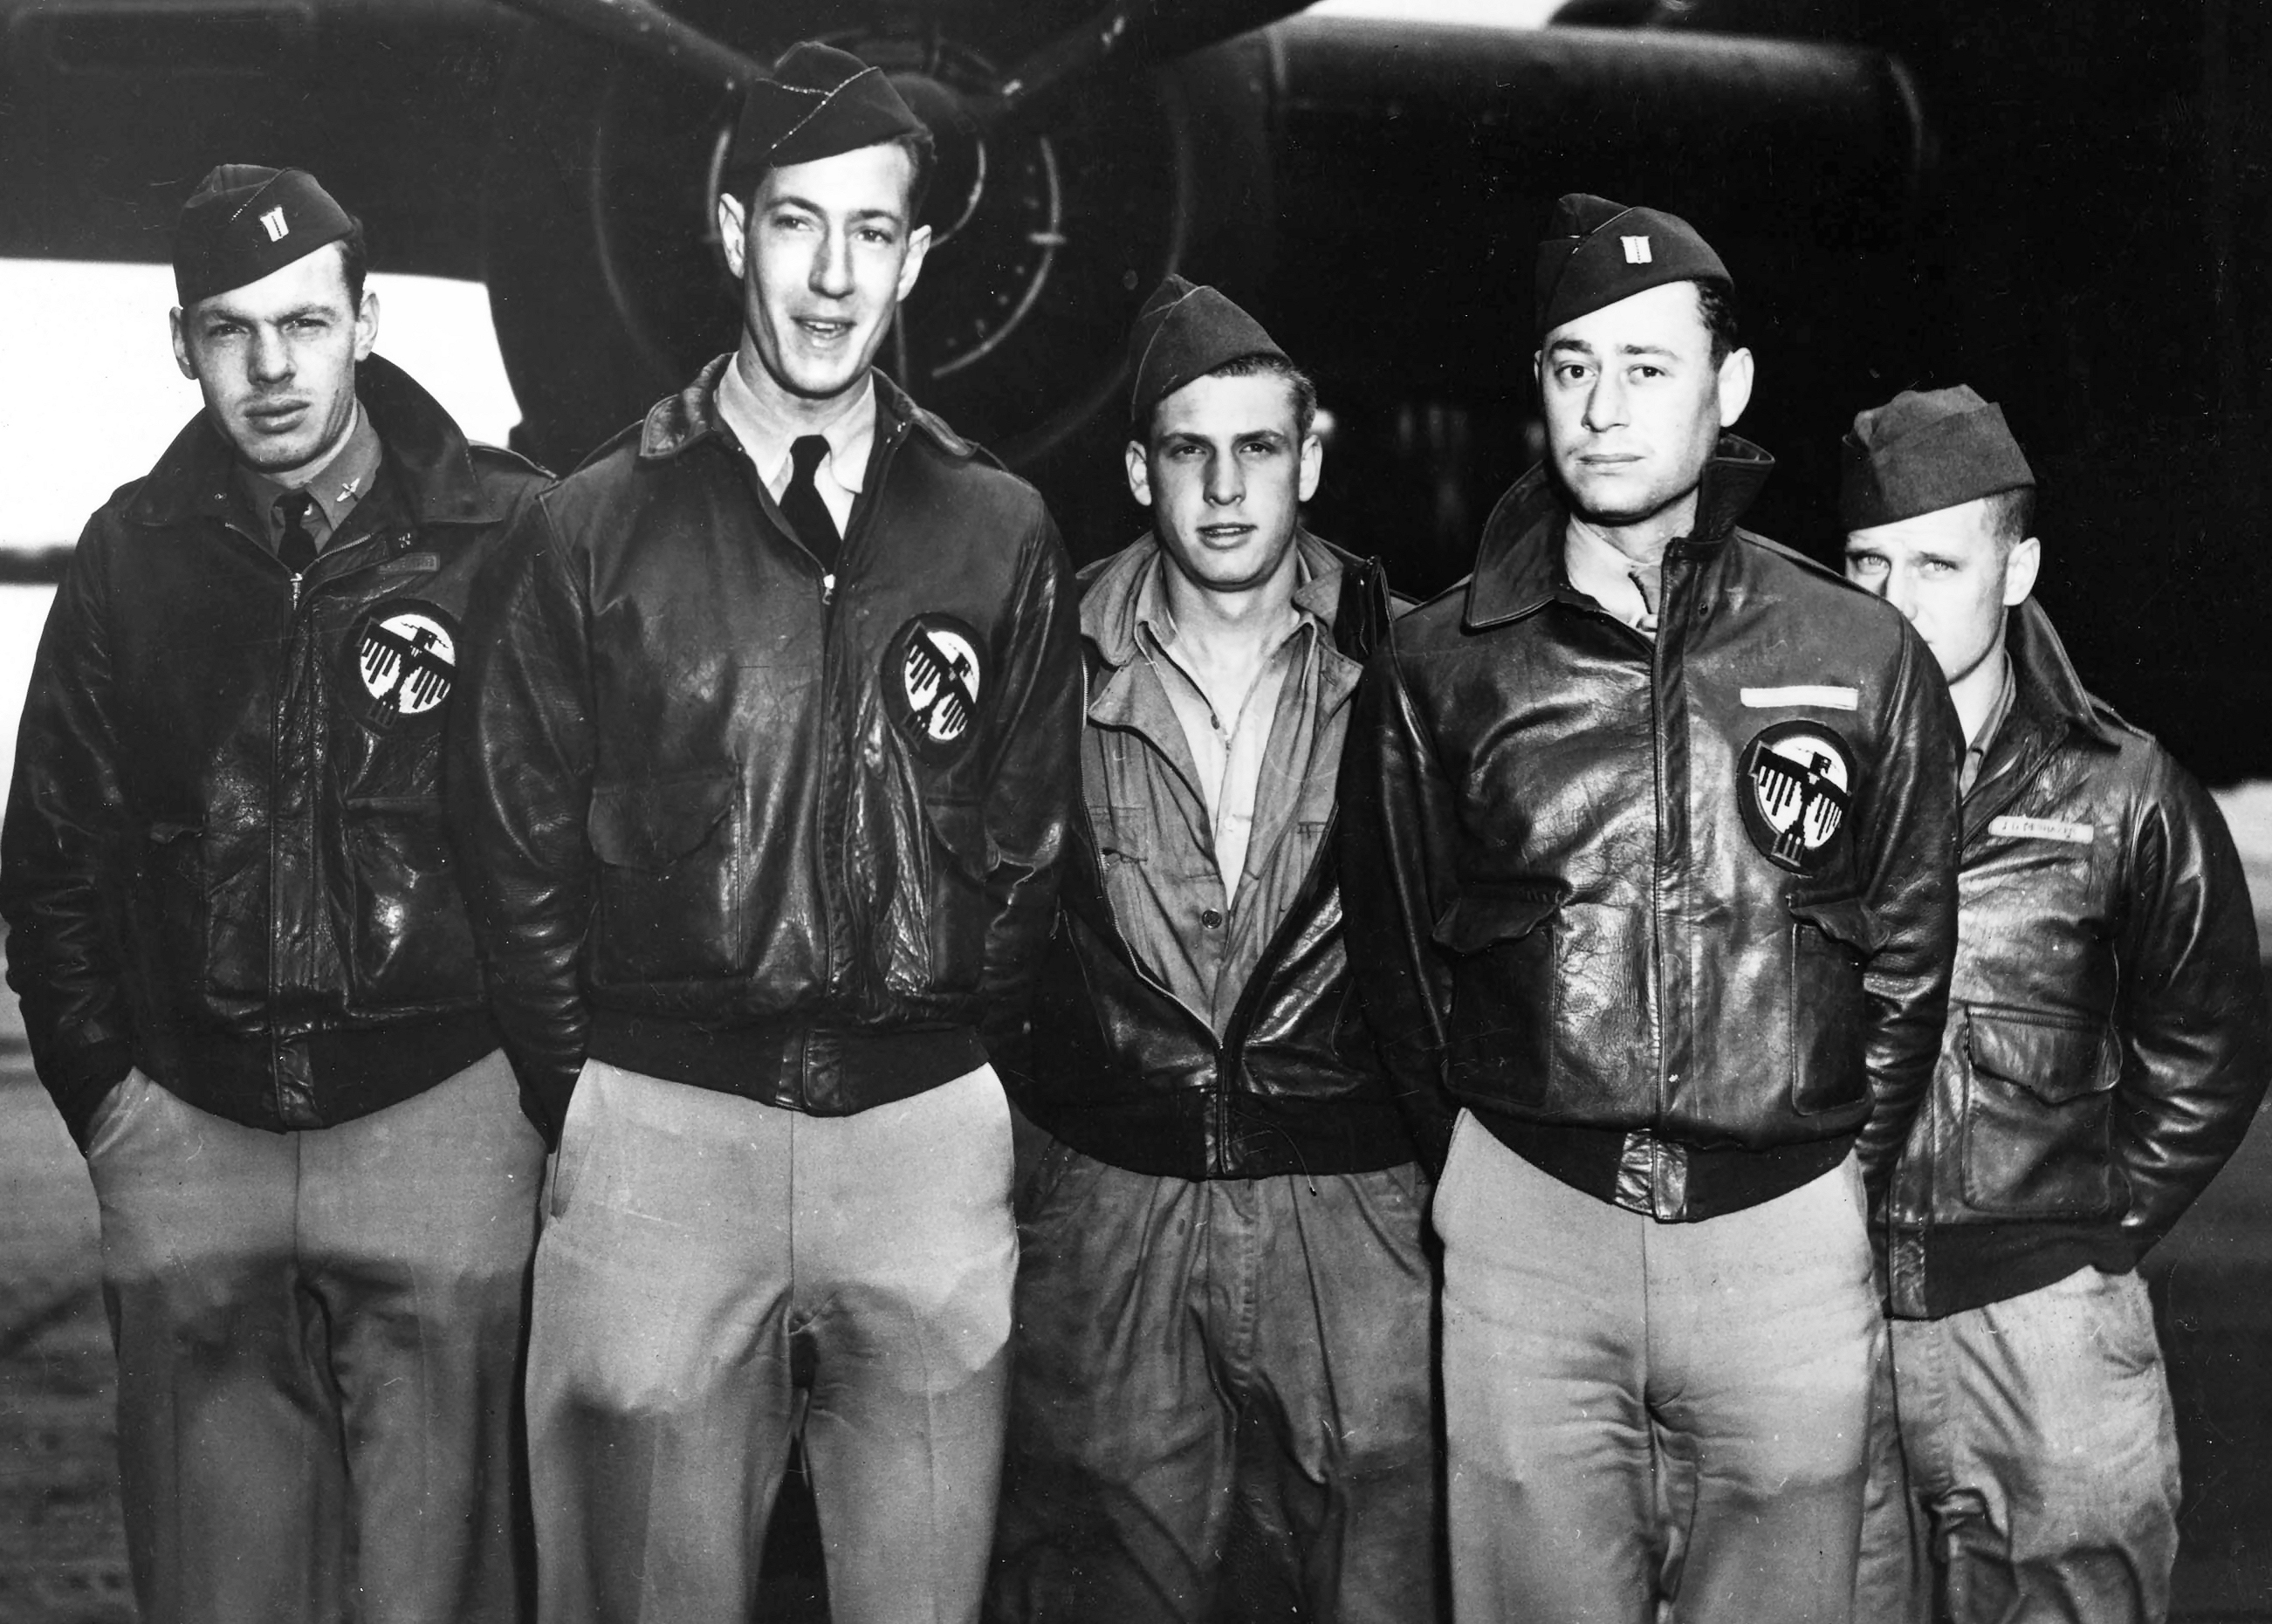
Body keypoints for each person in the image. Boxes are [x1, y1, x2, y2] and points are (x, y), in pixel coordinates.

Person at [450, 41, 1081, 1624]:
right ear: (732, 229)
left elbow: (1026, 839)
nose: (830, 275)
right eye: (798, 223)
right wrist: (591, 1090)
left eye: (873, 232)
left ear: (920, 257)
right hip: (663, 1128)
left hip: (921, 1137)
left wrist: (947, 1061)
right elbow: (514, 842)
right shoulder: (589, 523)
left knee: (925, 1595)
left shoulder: (996, 526)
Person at [1340, 192, 1964, 1624]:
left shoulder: (1858, 655)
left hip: (1784, 1222)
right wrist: (1491, 1181)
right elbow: (1403, 959)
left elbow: (1910, 954)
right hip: (1529, 1231)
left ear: (1729, 386)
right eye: (1571, 368)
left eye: (1645, 366)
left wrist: (1822, 1191)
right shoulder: (1441, 671)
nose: (1603, 410)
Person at [0, 164, 549, 1624]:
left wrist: (522, 1101)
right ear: (182, 344)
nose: (271, 367)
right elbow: (53, 852)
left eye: (305, 323)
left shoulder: (512, 537)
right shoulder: (129, 555)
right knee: (219, 1592)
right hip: (195, 1132)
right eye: (231, 330)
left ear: (367, 320)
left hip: (442, 1122)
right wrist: (117, 1112)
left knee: (457, 1589)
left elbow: (577, 836)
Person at [986, 278, 1440, 1622]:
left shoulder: (1414, 670)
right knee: (1106, 1577)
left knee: (1380, 1571)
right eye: (1190, 449)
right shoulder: (1046, 664)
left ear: (1311, 455)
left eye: (1258, 448)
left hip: (1351, 1218)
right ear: (1140, 470)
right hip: (1113, 1213)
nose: (1226, 487)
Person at [1841, 387, 2269, 1624]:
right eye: (1867, 563)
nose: (1895, 603)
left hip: (2046, 1341)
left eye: (1937, 561)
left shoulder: (2124, 794)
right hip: (1829, 1315)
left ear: (2016, 567)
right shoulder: (1791, 784)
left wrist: (2079, 1238)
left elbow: (2212, 1050)